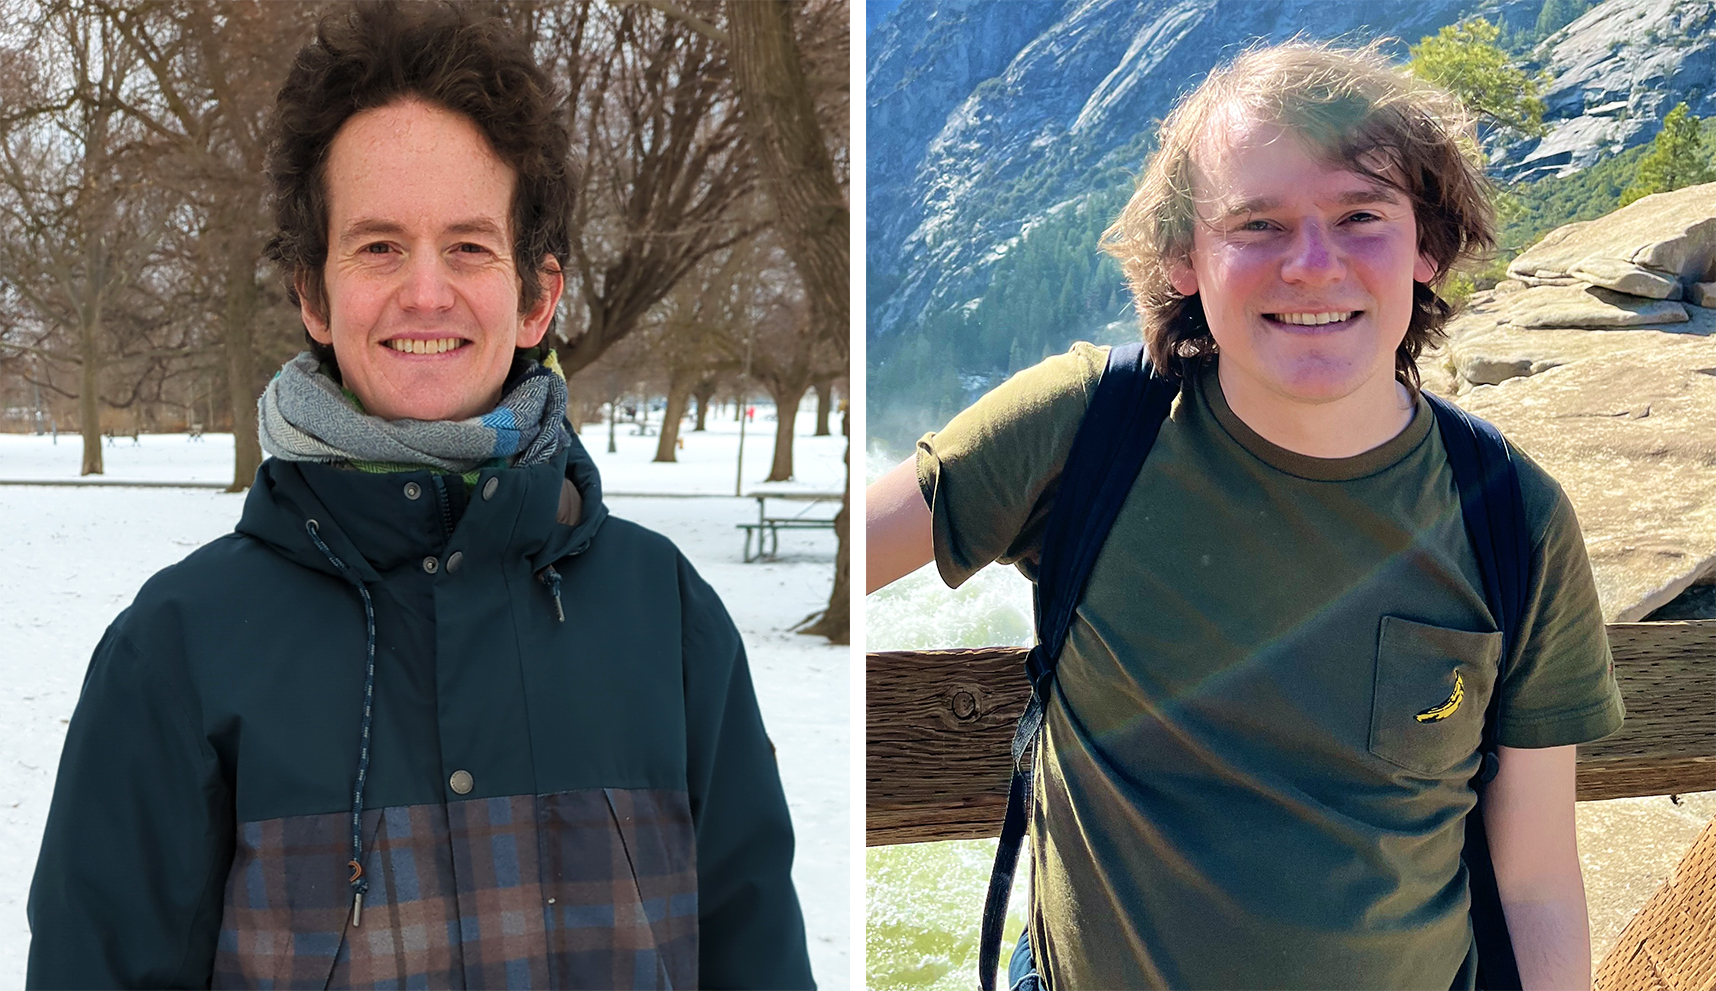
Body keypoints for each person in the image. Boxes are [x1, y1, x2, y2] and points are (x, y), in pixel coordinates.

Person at [27, 4, 813, 988]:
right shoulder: (176, 654)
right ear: (314, 292)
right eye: (380, 246)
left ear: (538, 297)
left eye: (471, 246)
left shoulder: (671, 624)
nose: (427, 292)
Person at [867, 41, 1622, 991]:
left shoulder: (1514, 517)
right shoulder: (1087, 428)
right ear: (1185, 257)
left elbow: (1540, 876)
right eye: (1258, 223)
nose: (1313, 265)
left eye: (1361, 214)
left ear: (1426, 246)